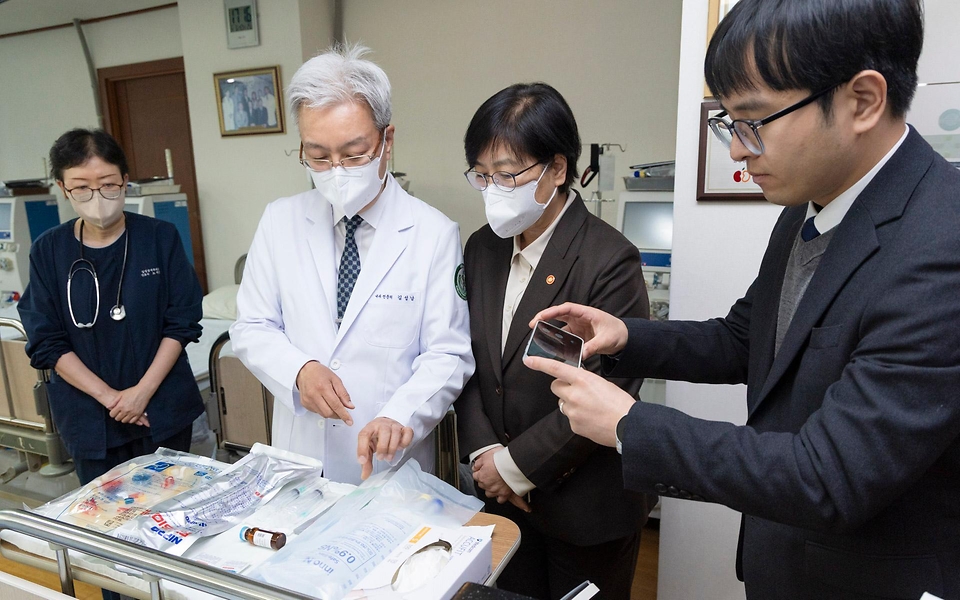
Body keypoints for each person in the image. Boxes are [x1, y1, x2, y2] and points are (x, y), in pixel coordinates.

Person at [526, 1, 960, 598]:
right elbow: (743, 338)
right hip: (782, 560)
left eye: (753, 121)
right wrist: (626, 336)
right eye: (729, 124)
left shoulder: (941, 245)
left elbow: (828, 475)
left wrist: (630, 425)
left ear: (862, 101)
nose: (736, 151)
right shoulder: (810, 206)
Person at [231, 44, 474, 485]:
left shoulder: (433, 234)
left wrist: (402, 414)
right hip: (300, 457)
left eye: (354, 153)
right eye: (318, 156)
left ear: (387, 141)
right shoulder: (280, 220)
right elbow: (251, 326)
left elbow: (448, 354)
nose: (337, 170)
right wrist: (298, 370)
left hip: (387, 463)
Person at [455, 82, 655, 600]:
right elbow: (465, 357)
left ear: (557, 169)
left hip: (585, 505)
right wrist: (485, 454)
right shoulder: (481, 249)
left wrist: (514, 467)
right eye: (482, 175)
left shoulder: (608, 259)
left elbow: (609, 387)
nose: (493, 189)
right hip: (500, 500)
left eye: (508, 174)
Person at [19, 129, 203, 487]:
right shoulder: (48, 250)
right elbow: (46, 340)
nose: (97, 197)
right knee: (106, 512)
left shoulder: (159, 237)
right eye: (81, 187)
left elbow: (182, 321)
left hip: (161, 407)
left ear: (125, 181)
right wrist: (113, 400)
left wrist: (141, 393)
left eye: (107, 184)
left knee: (174, 506)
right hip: (90, 418)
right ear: (63, 188)